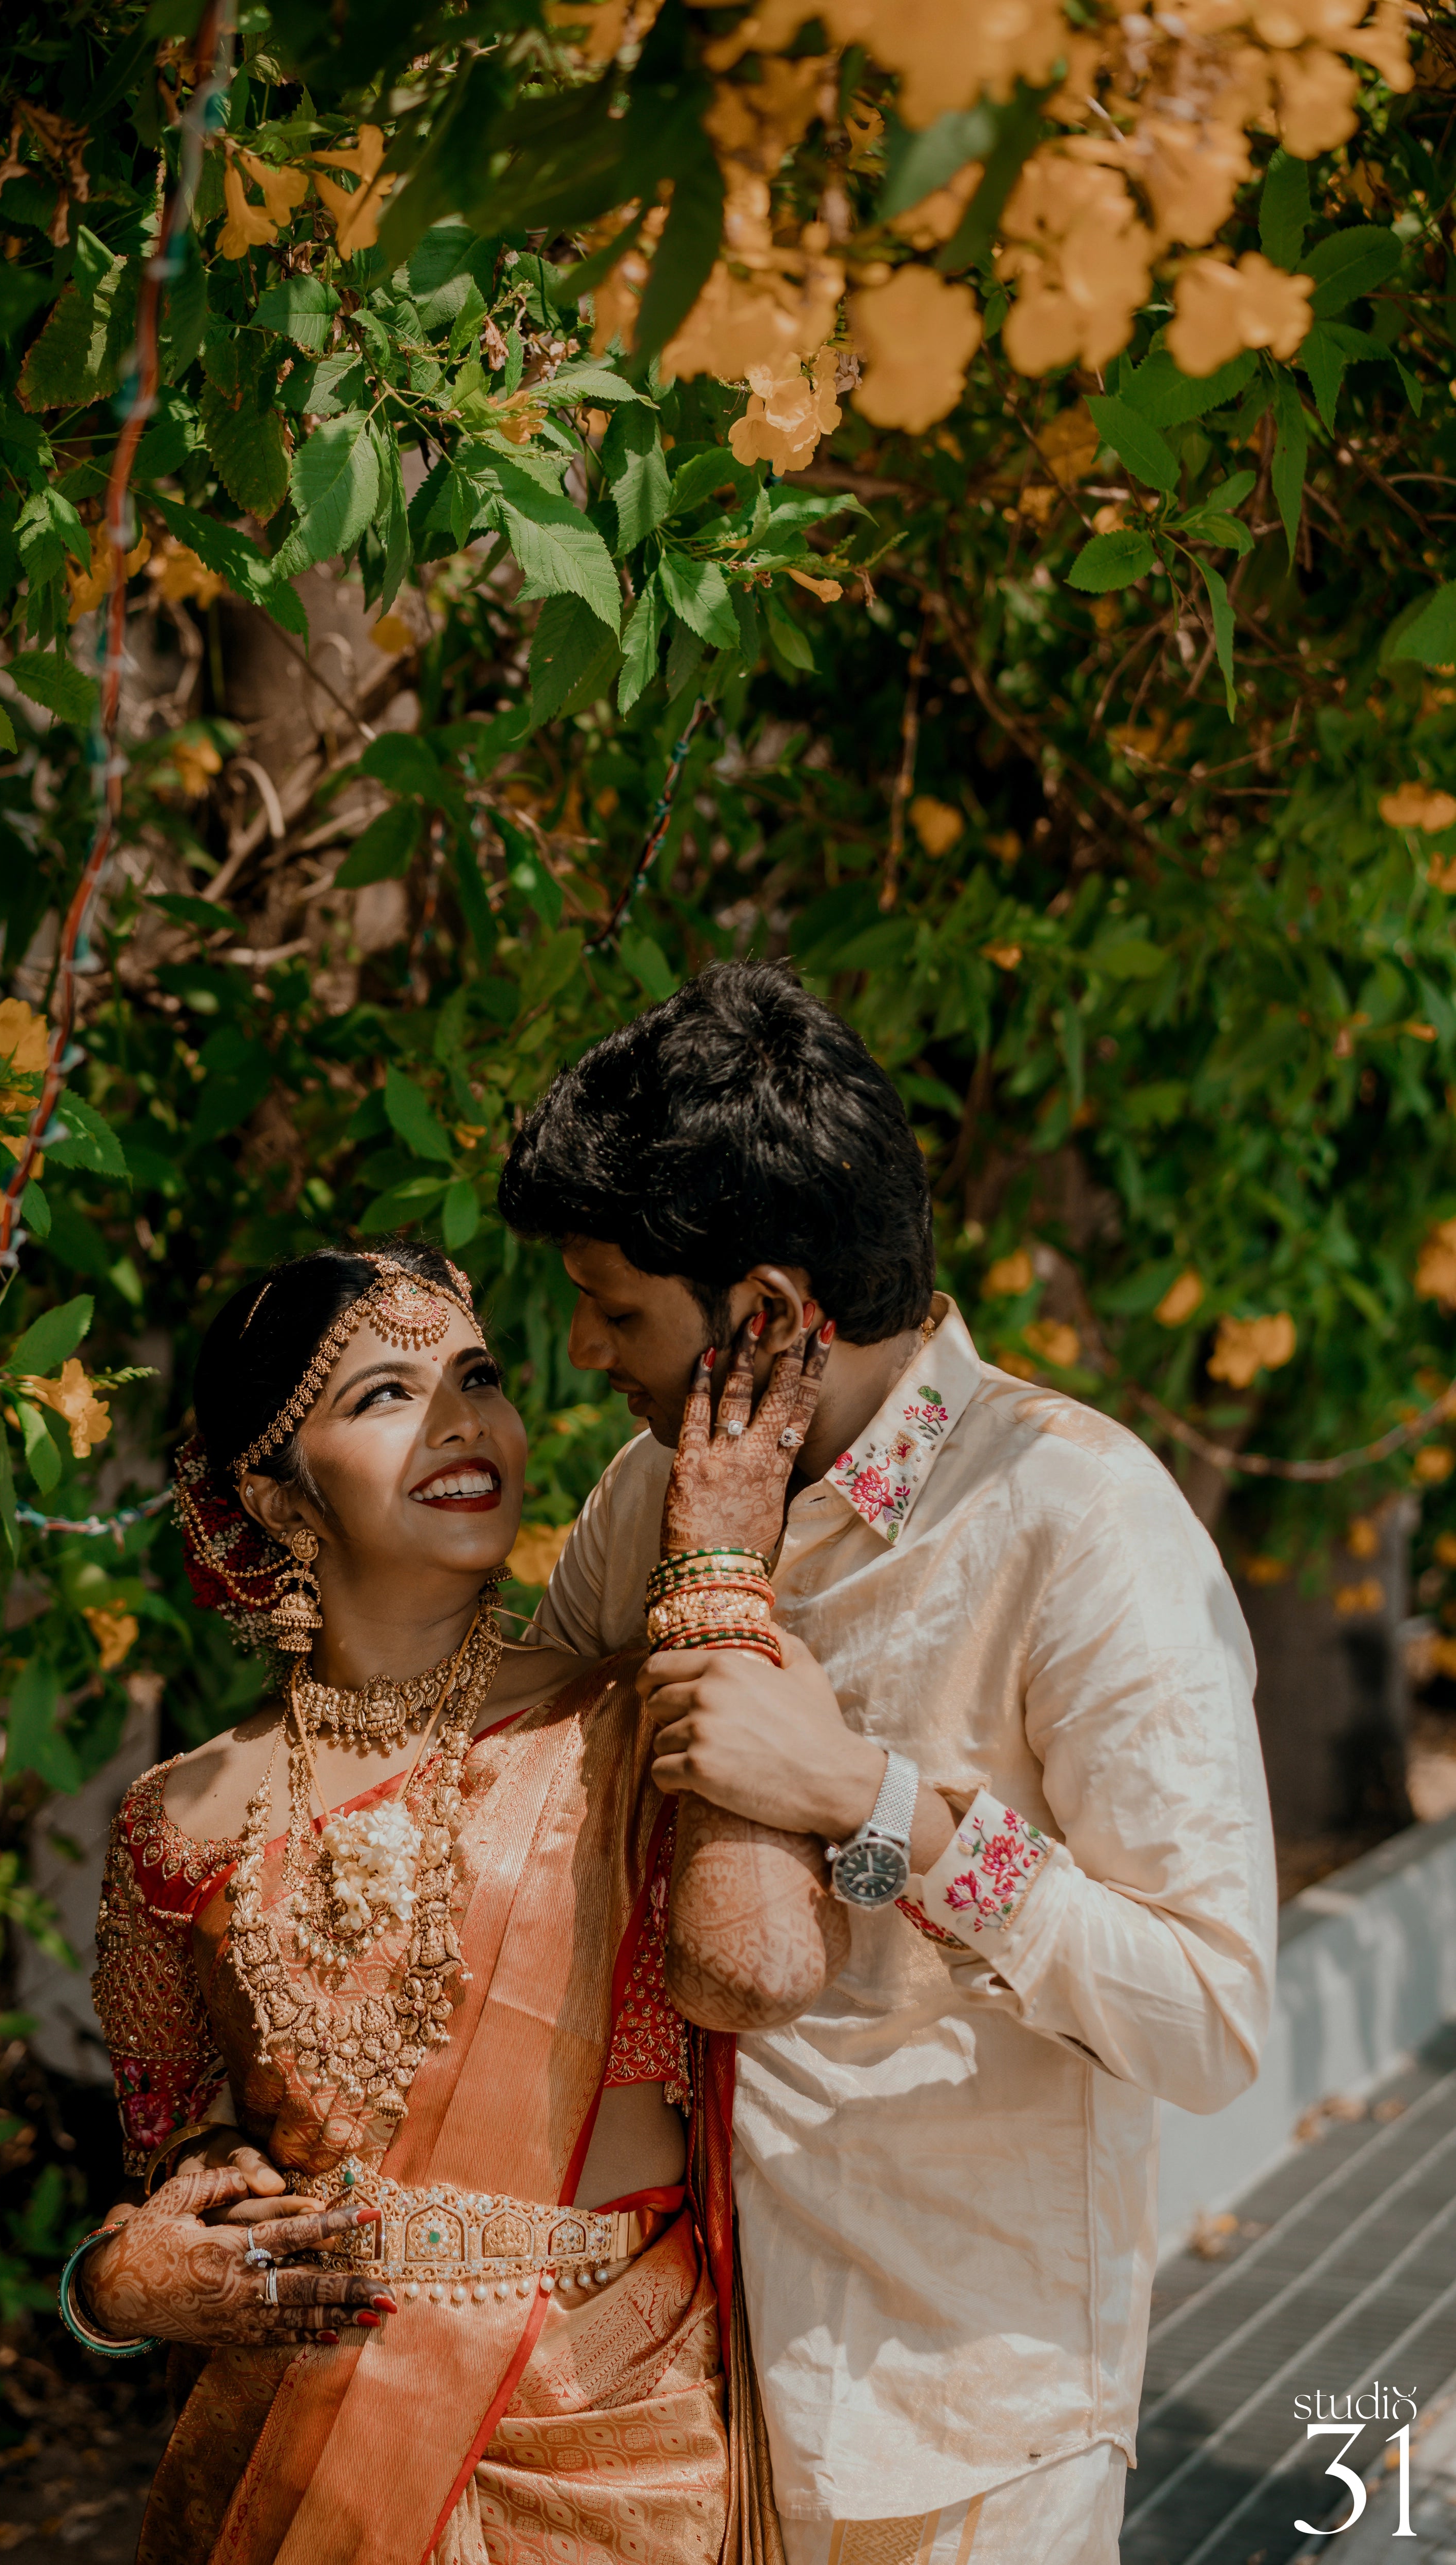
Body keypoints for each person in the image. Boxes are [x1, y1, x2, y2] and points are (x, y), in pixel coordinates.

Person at [497, 961, 1277, 2565]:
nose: (584, 1351)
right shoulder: (656, 1500)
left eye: (618, 1307)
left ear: (770, 1313)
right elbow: (501, 1777)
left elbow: (1209, 2016)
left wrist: (878, 1810)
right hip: (660, 2404)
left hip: (959, 2427)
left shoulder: (1077, 1521)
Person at [70, 1239, 849, 2565]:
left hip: (611, 2449)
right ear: (274, 1494)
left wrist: (717, 1572)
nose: (461, 1419)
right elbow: (175, 2175)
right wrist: (113, 2287)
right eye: (384, 1395)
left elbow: (756, 1966)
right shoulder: (177, 1826)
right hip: (304, 2456)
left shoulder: (634, 1718)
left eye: (476, 1374)